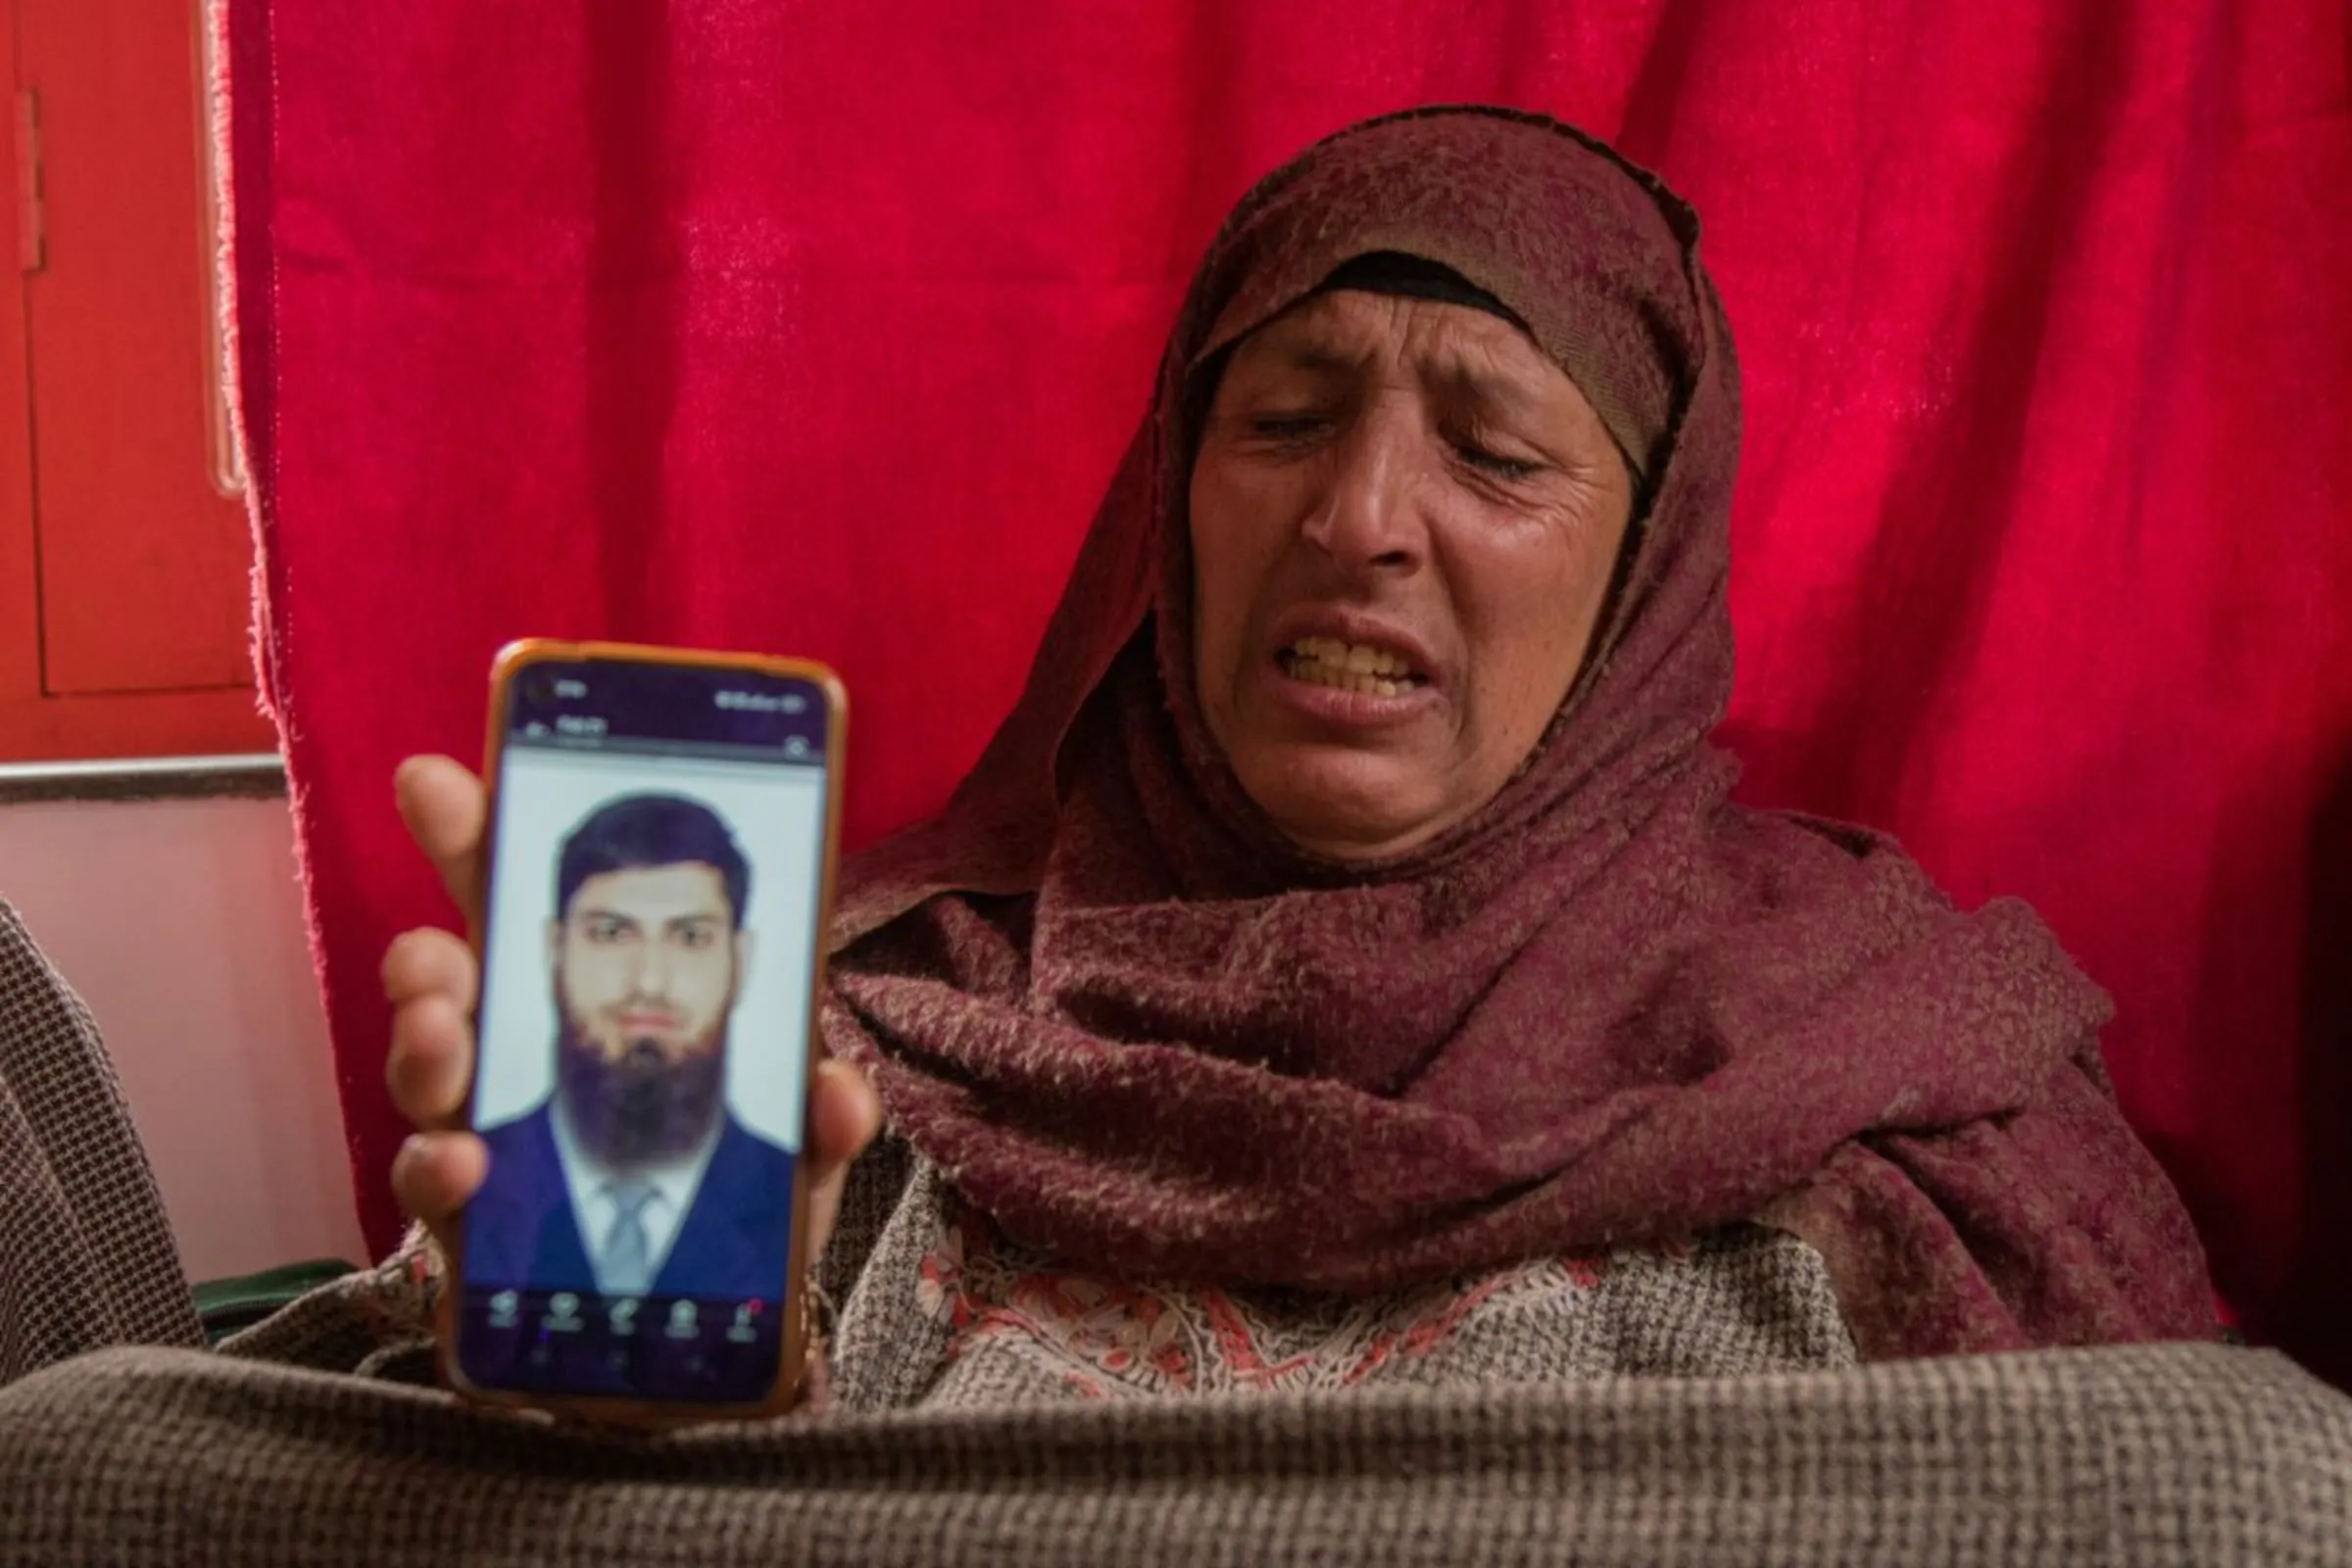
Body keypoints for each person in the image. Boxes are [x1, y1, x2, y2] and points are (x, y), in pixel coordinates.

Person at [373, 105, 2219, 1410]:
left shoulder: (1888, 1074)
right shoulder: (836, 1033)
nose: (1359, 517)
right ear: (1171, 510)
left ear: (1649, 566)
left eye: (1494, 455)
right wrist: (631, 1438)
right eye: (1282, 419)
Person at [459, 792, 796, 1304]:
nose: (650, 982)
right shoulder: (471, 1175)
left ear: (740, 963)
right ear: (555, 951)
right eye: (612, 932)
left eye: (690, 936)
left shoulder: (794, 1193)